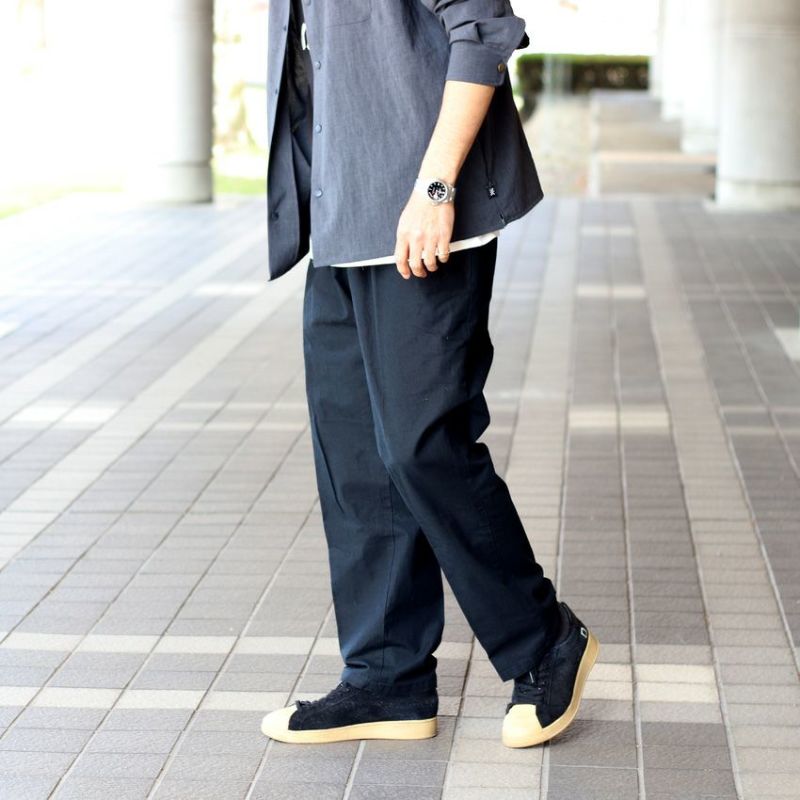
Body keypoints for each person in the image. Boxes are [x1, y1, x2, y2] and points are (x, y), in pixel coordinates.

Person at [260, 0, 599, 749]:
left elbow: (483, 31)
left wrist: (436, 188)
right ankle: (387, 678)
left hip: (422, 215)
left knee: (424, 446)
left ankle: (545, 640)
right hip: (342, 218)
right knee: (355, 459)